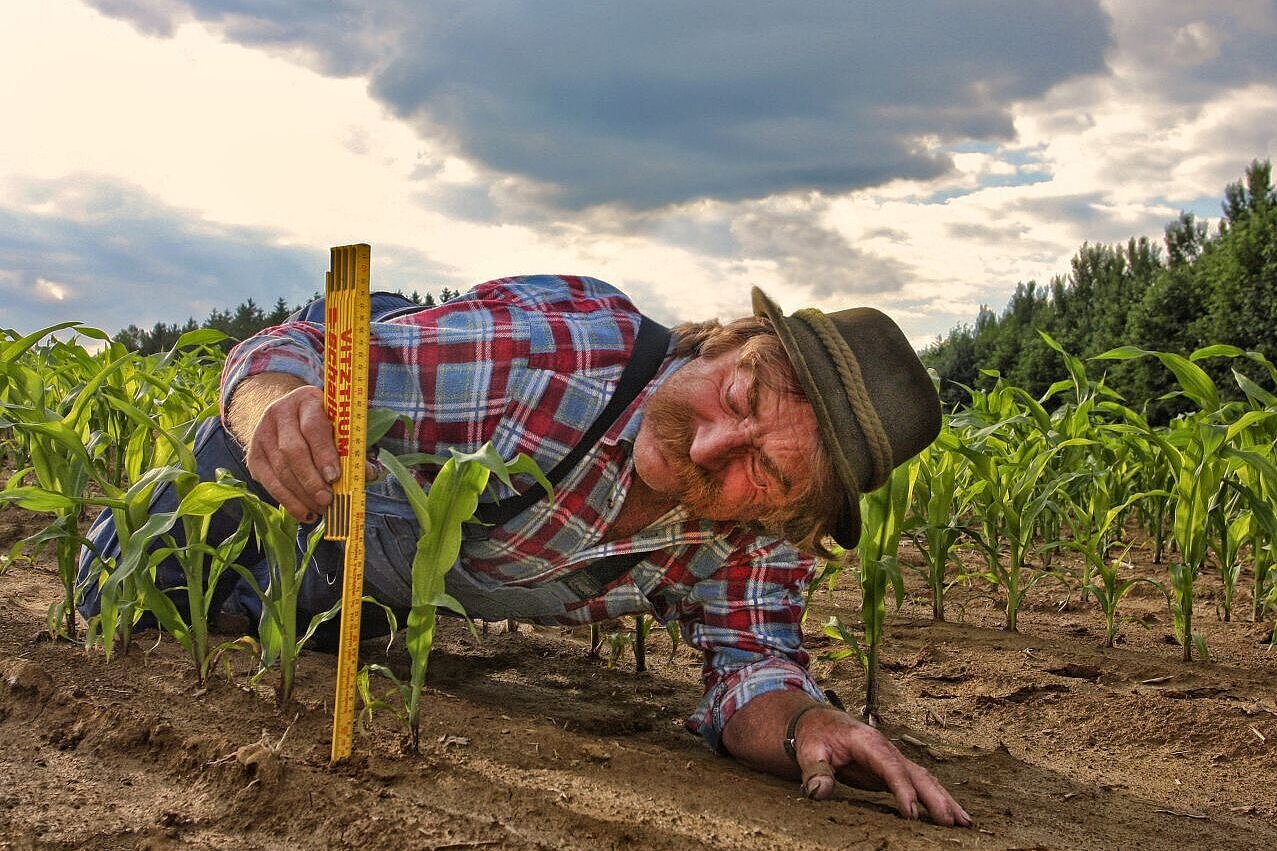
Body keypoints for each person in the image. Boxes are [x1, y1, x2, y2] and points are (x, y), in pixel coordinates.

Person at [79, 274, 969, 826]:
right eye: (738, 395)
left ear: (793, 511)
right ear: (732, 340)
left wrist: (808, 723)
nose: (709, 450)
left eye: (764, 470)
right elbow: (291, 348)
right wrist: (275, 407)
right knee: (121, 594)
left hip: (371, 580)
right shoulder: (552, 362)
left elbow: (750, 672)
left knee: (298, 629)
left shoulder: (750, 541)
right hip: (281, 478)